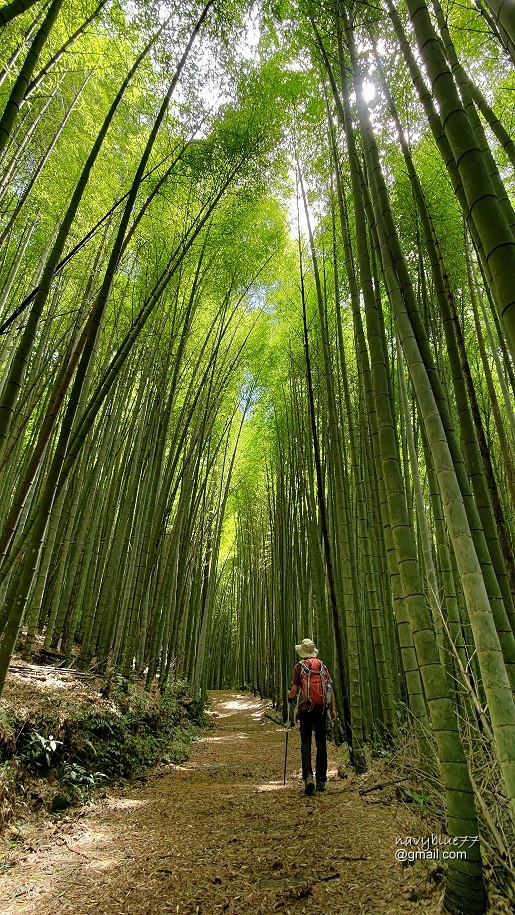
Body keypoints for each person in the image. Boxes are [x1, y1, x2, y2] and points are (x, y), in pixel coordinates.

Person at [288, 638, 337, 796]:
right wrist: (333, 710)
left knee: (306, 743)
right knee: (321, 744)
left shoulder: (299, 667)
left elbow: (295, 691)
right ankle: (321, 780)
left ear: (302, 652)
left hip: (306, 709)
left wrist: (289, 696)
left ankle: (308, 777)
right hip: (322, 708)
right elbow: (329, 688)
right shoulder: (322, 666)